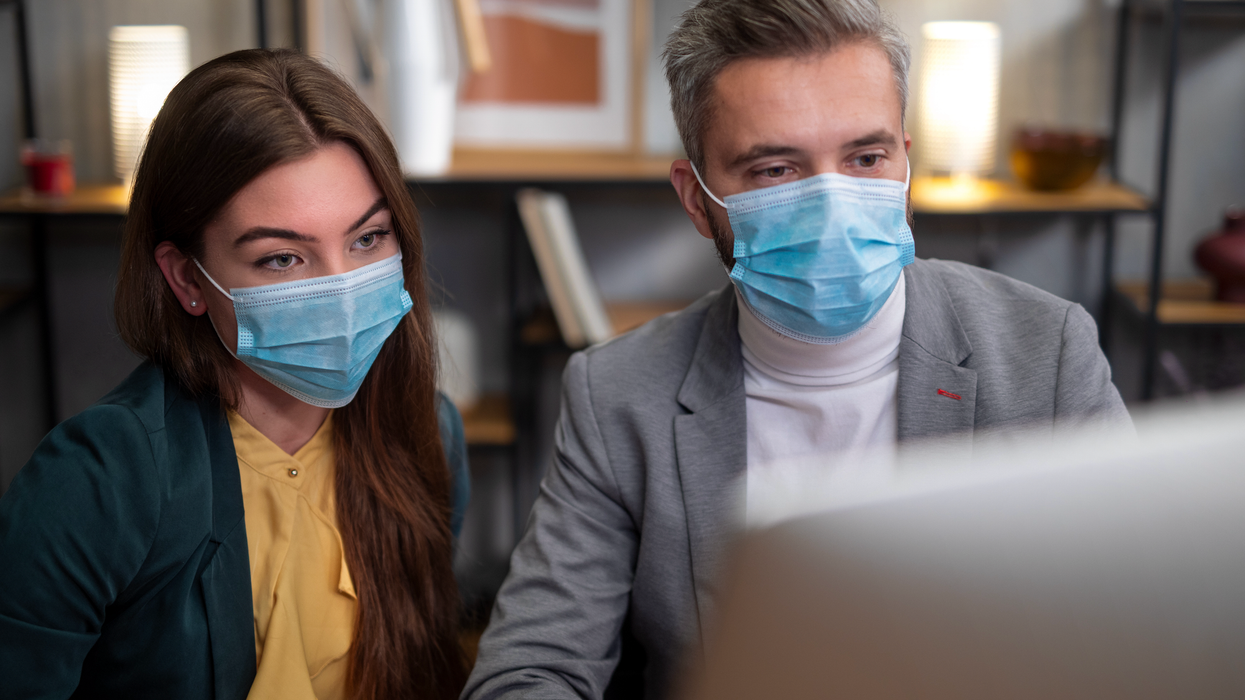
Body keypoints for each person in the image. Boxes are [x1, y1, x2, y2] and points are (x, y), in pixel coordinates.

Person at [463, 0, 1131, 698]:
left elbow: (1136, 623)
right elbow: (529, 669)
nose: (832, 204)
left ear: (905, 163)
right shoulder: (617, 394)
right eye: (775, 170)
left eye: (864, 157)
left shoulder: (1047, 353)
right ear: (696, 201)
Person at [0, 49, 469, 700]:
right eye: (282, 258)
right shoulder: (96, 480)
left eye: (367, 239)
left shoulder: (428, 433)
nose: (340, 290)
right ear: (188, 278)